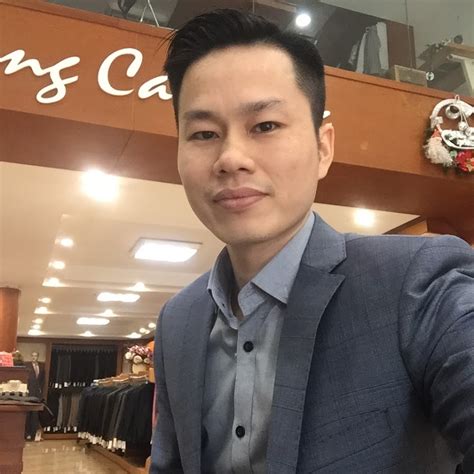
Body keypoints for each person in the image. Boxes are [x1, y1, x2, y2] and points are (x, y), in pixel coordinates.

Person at [150, 9, 474, 474]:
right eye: (204, 133)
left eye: (265, 126)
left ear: (323, 148)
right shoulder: (177, 319)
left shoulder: (417, 282)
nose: (231, 158)